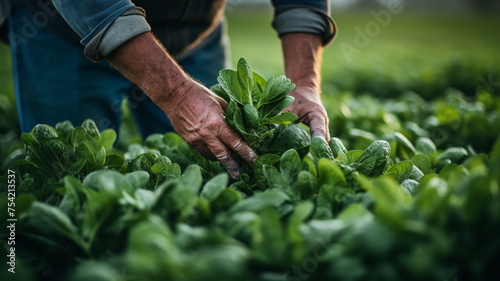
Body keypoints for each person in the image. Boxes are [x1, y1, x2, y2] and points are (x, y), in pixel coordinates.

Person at [0, 0, 337, 178]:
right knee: (68, 176)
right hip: (64, 28)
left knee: (216, 166)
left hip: (193, 30)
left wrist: (304, 81)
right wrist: (175, 92)